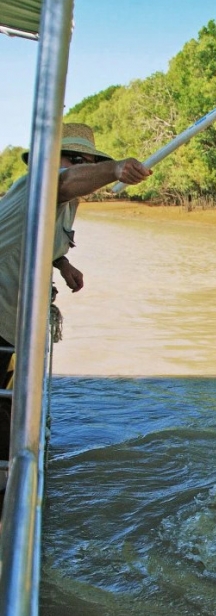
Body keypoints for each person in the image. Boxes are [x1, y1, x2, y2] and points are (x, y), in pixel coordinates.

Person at [0, 123, 152, 461]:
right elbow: (63, 181)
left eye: (86, 160)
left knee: (14, 402)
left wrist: (63, 263)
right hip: (3, 321)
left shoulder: (67, 203)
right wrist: (114, 169)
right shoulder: (38, 187)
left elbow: (41, 239)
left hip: (19, 324)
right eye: (74, 158)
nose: (81, 166)